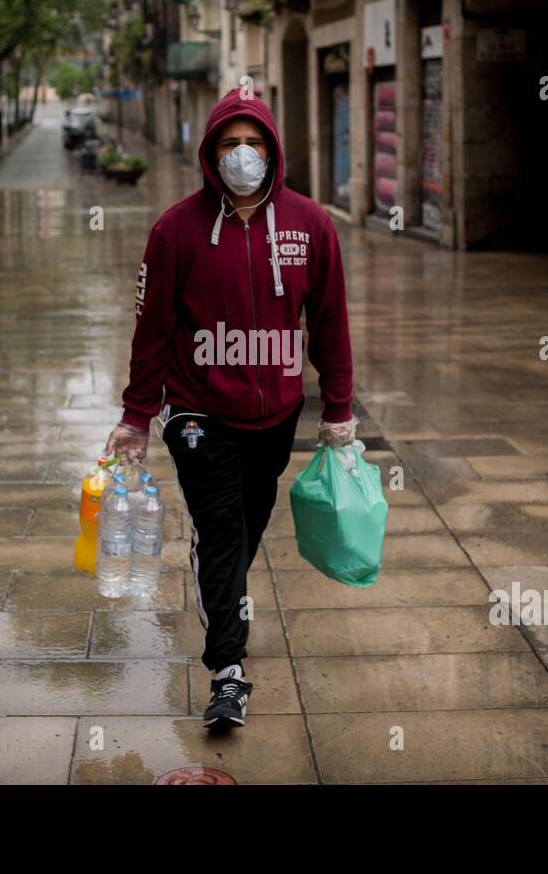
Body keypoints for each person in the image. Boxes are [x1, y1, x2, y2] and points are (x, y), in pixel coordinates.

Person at [103, 89, 356, 731]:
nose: (242, 155)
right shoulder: (175, 230)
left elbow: (330, 324)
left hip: (276, 416)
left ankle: (222, 594)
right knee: (220, 528)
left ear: (273, 150)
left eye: (254, 143)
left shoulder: (311, 225)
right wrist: (137, 417)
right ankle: (228, 673)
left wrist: (340, 407)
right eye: (229, 143)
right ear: (210, 154)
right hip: (197, 412)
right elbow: (152, 331)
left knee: (244, 527)